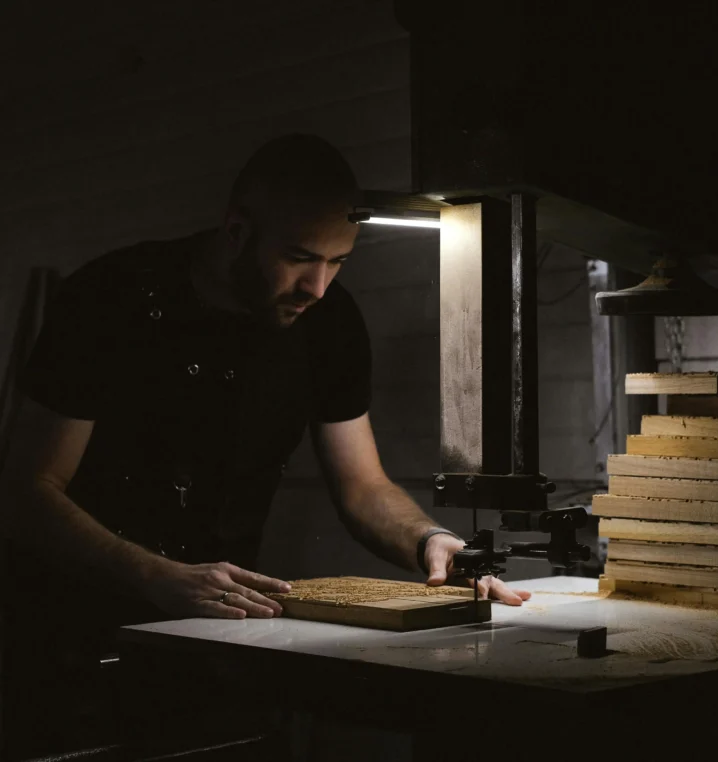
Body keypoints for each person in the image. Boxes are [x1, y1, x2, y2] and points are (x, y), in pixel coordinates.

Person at [0, 134, 530, 755]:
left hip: (216, 632)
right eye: (301, 257)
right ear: (235, 230)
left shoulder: (329, 323)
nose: (318, 286)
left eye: (338, 262)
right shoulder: (110, 297)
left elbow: (363, 487)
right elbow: (26, 490)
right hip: (66, 636)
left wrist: (432, 542)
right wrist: (153, 574)